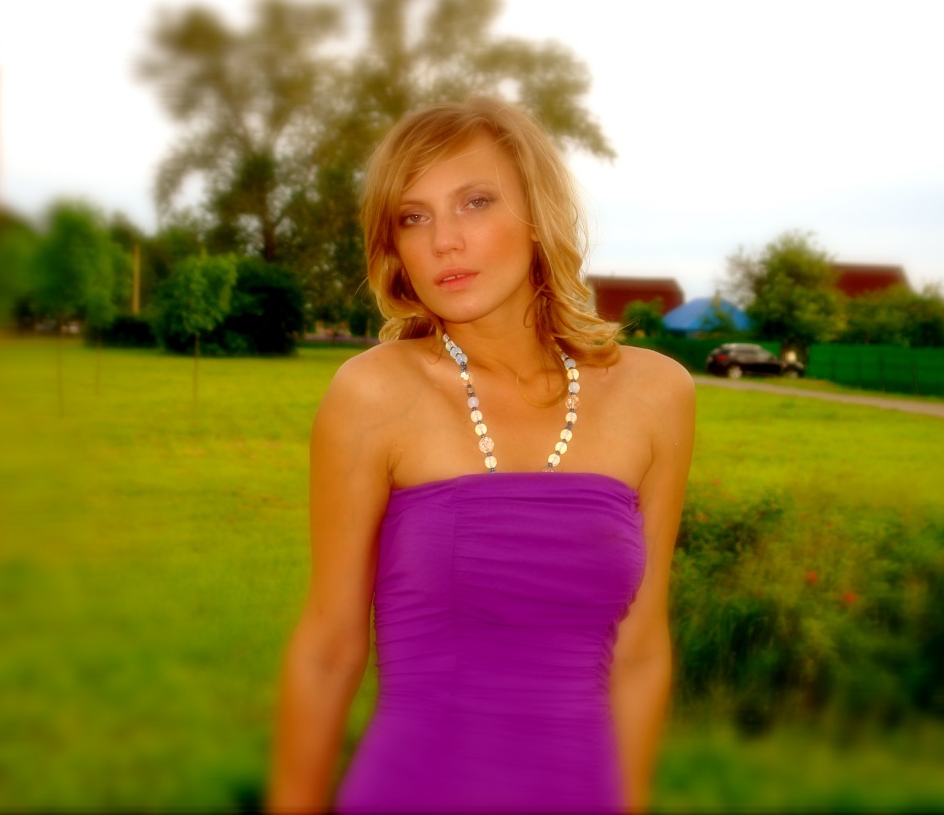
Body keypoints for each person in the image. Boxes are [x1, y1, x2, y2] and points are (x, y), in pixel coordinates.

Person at [266, 96, 695, 814]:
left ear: (538, 214)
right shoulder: (373, 393)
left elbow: (642, 648)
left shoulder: (656, 394)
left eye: (475, 202)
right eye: (413, 217)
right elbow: (330, 648)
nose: (444, 241)